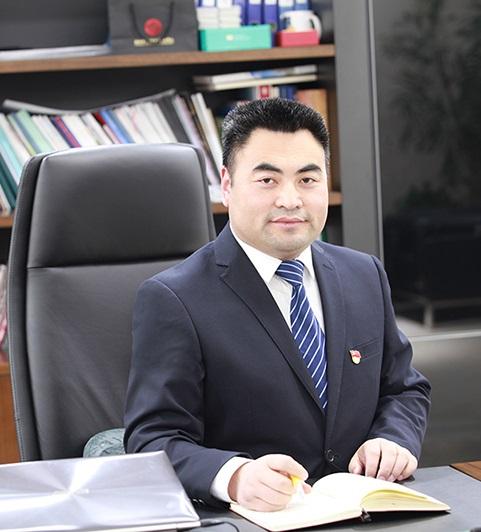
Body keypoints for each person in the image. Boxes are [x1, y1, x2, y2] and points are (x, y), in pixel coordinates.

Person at [124, 98, 431, 512]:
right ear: (227, 184)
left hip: (367, 509)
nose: (290, 199)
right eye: (268, 180)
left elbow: (404, 388)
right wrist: (234, 477)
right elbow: (152, 439)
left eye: (308, 179)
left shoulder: (364, 274)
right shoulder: (173, 298)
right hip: (258, 518)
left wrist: (393, 439)